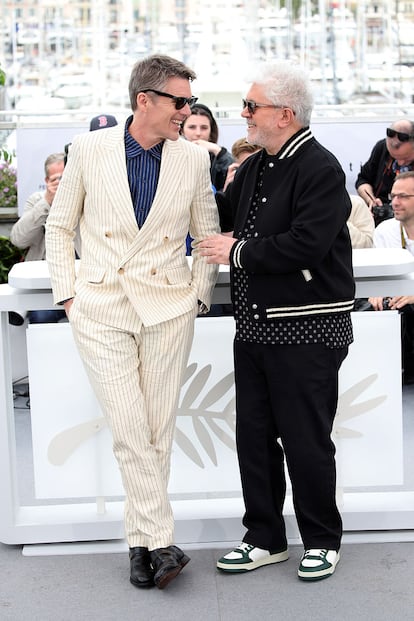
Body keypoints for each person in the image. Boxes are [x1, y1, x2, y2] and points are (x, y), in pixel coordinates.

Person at [45, 54, 220, 590]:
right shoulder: (89, 149)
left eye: (190, 101)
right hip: (101, 307)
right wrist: (68, 296)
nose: (187, 110)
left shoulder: (191, 159)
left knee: (156, 430)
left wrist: (198, 297)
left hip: (169, 307)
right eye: (179, 101)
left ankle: (140, 547)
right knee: (129, 427)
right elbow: (60, 228)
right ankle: (163, 538)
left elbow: (206, 233)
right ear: (145, 100)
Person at [199, 59, 355, 581]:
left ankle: (322, 540)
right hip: (257, 327)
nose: (243, 114)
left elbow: (307, 244)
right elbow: (225, 216)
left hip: (308, 328)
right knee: (255, 436)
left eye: (251, 106)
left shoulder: (320, 167)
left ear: (284, 114)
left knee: (306, 437)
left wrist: (237, 252)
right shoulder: (260, 164)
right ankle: (264, 536)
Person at [10, 152, 68, 323]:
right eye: (55, 179)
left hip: (79, 284)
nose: (60, 183)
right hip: (44, 284)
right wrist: (47, 202)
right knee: (41, 316)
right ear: (46, 182)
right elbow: (18, 239)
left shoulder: (86, 198)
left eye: (64, 178)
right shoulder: (37, 200)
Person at [368, 170, 414, 384]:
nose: (395, 202)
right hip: (398, 301)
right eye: (392, 196)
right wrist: (376, 293)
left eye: (403, 197)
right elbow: (380, 273)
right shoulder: (384, 230)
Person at [355, 118, 414, 226]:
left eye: (406, 158)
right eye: (395, 158)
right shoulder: (382, 149)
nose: (400, 163)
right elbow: (363, 179)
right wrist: (371, 200)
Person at [180, 102, 234, 191]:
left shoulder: (219, 159)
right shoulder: (173, 155)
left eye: (204, 128)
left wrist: (219, 151)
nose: (198, 133)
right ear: (182, 130)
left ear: (211, 131)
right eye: (192, 127)